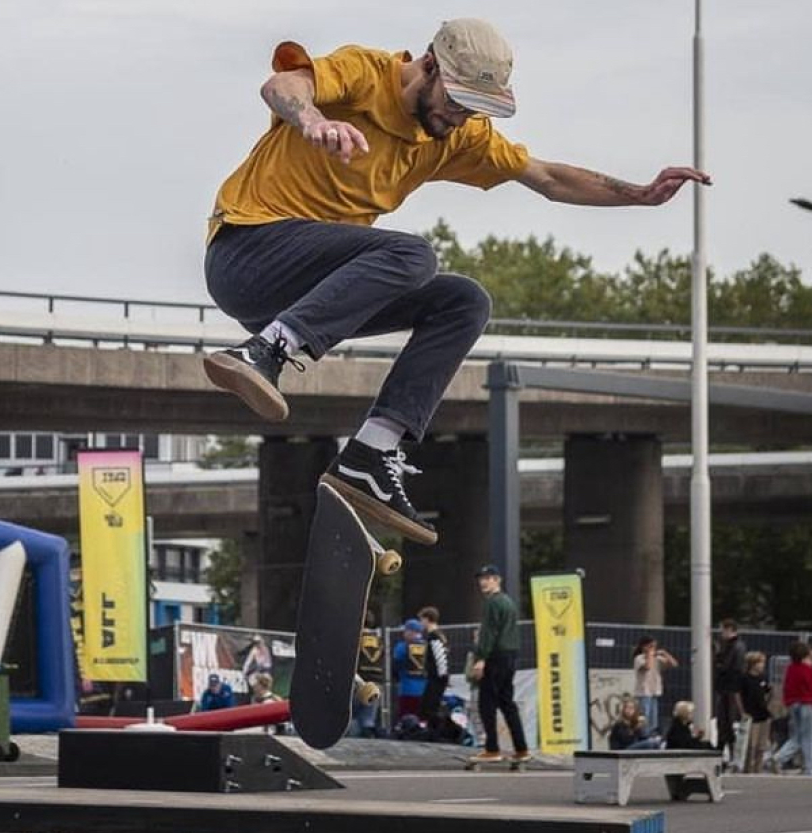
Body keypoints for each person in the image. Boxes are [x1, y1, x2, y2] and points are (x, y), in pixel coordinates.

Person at [202, 18, 711, 547]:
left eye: (475, 109)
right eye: (456, 101)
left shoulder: (457, 137)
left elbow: (546, 177)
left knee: (463, 301)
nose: (460, 117)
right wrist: (311, 118)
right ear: (427, 66)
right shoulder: (365, 71)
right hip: (247, 252)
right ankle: (265, 354)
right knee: (412, 254)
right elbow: (282, 85)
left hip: (308, 293)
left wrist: (639, 195)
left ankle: (371, 455)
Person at [469, 564, 530, 763]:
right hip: (510, 655)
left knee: (486, 703)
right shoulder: (508, 602)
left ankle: (492, 748)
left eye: (487, 578)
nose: (483, 582)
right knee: (507, 703)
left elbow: (489, 633)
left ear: (497, 580)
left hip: (495, 656)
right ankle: (521, 749)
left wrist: (481, 659)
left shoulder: (492, 603)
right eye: (481, 579)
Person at [770, 641, 812, 775]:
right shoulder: (807, 669)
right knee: (807, 737)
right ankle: (809, 767)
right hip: (807, 703)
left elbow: (786, 687)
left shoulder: (790, 668)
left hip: (793, 703)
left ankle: (779, 757)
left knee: (796, 736)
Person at [714, 618, 747, 763]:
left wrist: (718, 662)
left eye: (723, 630)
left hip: (729, 688)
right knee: (727, 721)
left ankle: (725, 751)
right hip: (730, 687)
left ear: (729, 630)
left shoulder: (732, 647)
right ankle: (727, 751)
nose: (721, 633)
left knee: (726, 721)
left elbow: (727, 666)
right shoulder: (737, 646)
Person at [632, 635, 678, 733]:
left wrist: (664, 653)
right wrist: (649, 654)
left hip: (654, 691)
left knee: (653, 719)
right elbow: (648, 666)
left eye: (654, 646)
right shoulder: (639, 658)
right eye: (650, 646)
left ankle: (652, 734)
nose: (653, 648)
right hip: (643, 692)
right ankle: (643, 734)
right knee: (645, 716)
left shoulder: (657, 658)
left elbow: (674, 664)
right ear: (644, 647)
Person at [352, 610, 385, 737]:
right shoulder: (379, 640)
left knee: (350, 714)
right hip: (377, 682)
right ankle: (369, 737)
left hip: (359, 681)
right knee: (368, 718)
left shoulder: (355, 637)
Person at [740, 651, 772, 773]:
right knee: (751, 745)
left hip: (763, 714)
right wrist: (742, 711)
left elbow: (768, 691)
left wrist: (768, 704)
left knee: (761, 745)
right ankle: (748, 768)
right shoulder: (745, 679)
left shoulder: (762, 678)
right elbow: (739, 695)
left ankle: (758, 768)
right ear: (752, 664)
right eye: (760, 663)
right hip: (751, 715)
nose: (762, 665)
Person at [417, 605, 450, 721]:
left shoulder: (434, 637)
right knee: (430, 706)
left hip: (436, 677)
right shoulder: (439, 635)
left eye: (421, 619)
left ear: (427, 619)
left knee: (428, 707)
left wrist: (442, 675)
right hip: (437, 676)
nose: (420, 623)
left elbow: (439, 657)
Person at [392, 618, 427, 720]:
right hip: (424, 690)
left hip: (406, 689)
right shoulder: (427, 646)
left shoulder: (402, 647)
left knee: (406, 719)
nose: (404, 633)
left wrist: (396, 678)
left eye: (406, 630)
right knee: (421, 720)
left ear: (411, 631)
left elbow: (395, 666)